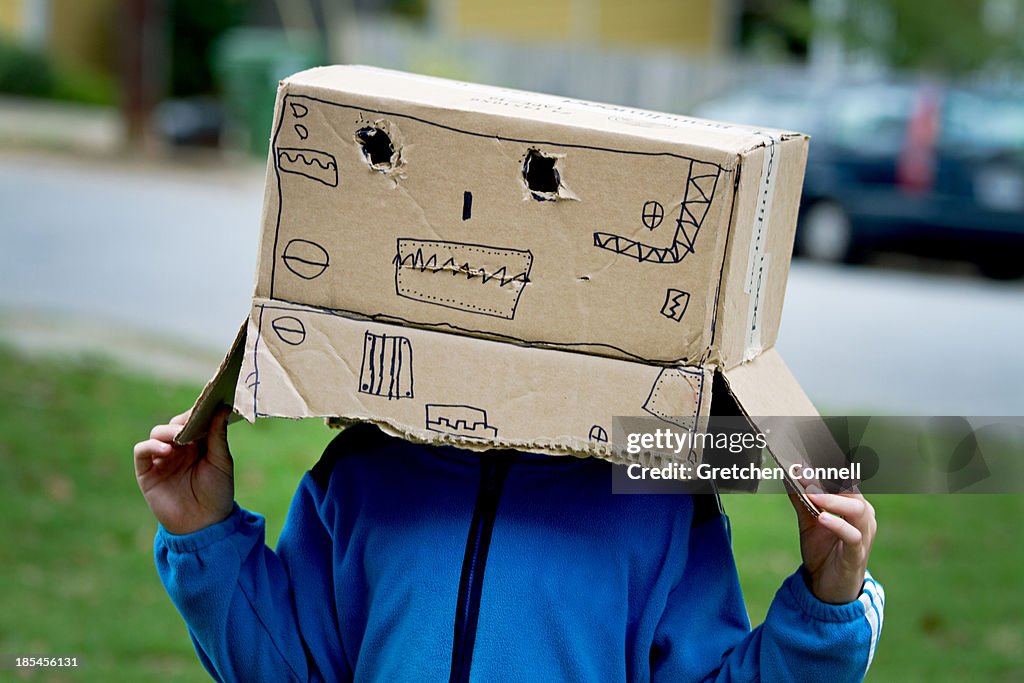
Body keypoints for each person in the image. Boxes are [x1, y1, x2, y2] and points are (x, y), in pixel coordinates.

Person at [135, 406, 883, 682]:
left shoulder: (658, 496)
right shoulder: (365, 471)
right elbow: (291, 668)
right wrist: (202, 530)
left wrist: (826, 605)